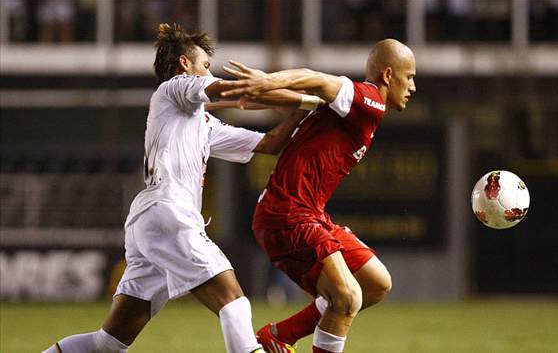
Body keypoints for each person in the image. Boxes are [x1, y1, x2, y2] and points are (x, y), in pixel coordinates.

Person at [42, 23, 317, 353]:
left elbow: (270, 143)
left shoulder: (202, 122)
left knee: (107, 343)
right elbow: (224, 91)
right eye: (205, 65)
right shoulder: (172, 90)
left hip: (152, 221)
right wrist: (303, 94)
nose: (208, 71)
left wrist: (303, 112)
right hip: (168, 210)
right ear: (185, 65)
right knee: (233, 301)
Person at [220, 38, 417, 353]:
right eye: (409, 77)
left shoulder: (352, 108)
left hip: (307, 213)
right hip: (288, 213)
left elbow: (305, 97)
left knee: (376, 283)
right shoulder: (368, 99)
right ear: (389, 75)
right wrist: (267, 81)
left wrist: (261, 91)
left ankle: (279, 334)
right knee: (348, 296)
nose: (413, 86)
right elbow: (317, 78)